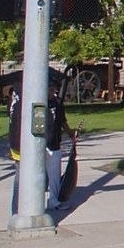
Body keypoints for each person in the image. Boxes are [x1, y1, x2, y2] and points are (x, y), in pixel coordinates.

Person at [44, 83, 75, 211]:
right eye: (49, 89)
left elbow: (62, 121)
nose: (52, 92)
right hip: (40, 144)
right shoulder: (38, 103)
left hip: (54, 142)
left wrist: (70, 133)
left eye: (53, 89)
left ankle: (53, 200)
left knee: (55, 174)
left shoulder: (57, 103)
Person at [7, 85, 21, 214]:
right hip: (22, 145)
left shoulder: (13, 100)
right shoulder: (24, 99)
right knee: (21, 178)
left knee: (20, 176)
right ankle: (16, 210)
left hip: (15, 143)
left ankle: (16, 210)